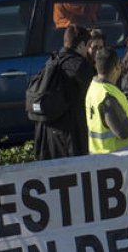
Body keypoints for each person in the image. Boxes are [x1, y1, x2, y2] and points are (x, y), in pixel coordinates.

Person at [34, 25, 93, 159]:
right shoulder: (80, 66)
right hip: (70, 135)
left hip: (48, 134)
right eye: (88, 45)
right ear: (82, 45)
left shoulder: (52, 61)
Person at [85, 48, 128, 154]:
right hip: (120, 162)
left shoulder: (94, 88)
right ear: (117, 66)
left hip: (102, 159)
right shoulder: (107, 96)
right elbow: (123, 131)